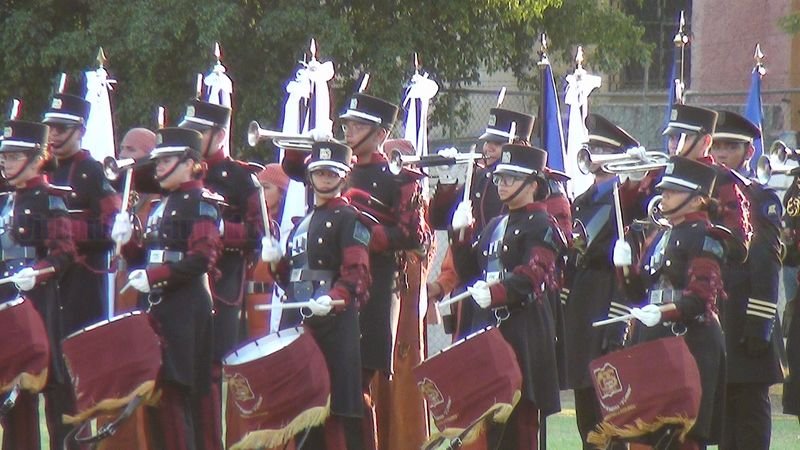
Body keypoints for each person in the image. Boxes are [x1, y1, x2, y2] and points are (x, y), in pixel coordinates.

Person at [452, 143, 564, 449]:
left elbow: (535, 273)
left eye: (510, 179)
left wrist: (497, 292)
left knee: (519, 425)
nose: (501, 184)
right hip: (490, 330)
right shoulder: (495, 224)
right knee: (491, 426)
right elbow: (470, 271)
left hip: (523, 332)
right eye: (500, 178)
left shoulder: (543, 224)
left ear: (533, 184)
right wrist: (460, 235)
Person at [114, 127, 220, 449]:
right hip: (157, 304)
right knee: (155, 397)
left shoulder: (202, 202)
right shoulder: (162, 205)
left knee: (175, 398)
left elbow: (202, 258)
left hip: (185, 305)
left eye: (166, 160)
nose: (158, 167)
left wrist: (155, 276)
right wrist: (127, 242)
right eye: (158, 161)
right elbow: (145, 257)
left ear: (190, 163)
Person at [263, 140, 371, 449]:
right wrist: (275, 263)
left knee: (333, 419)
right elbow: (291, 279)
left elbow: (358, 274)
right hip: (299, 323)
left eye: (331, 172)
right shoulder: (303, 223)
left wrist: (334, 297)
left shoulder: (350, 218)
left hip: (332, 326)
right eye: (319, 172)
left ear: (344, 175)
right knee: (302, 413)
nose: (324, 178)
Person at [623, 156, 727, 450]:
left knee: (680, 439)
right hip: (654, 343)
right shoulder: (661, 235)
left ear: (698, 199)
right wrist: (623, 267)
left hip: (689, 345)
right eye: (665, 190)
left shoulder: (707, 236)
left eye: (674, 191)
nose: (664, 195)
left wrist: (664, 313)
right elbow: (638, 293)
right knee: (642, 436)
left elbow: (701, 297)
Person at [179, 99, 267, 447]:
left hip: (221, 288)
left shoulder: (241, 178)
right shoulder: (179, 171)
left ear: (218, 134)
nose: (191, 139)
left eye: (198, 132)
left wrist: (219, 230)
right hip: (179, 284)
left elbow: (259, 234)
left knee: (209, 379)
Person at [709, 111, 785, 450]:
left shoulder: (760, 198)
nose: (722, 154)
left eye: (730, 147)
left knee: (750, 419)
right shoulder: (706, 197)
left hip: (747, 320)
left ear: (749, 152)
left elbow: (766, 264)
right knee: (724, 425)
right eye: (717, 146)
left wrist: (759, 324)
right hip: (717, 320)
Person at [0, 119, 77, 450]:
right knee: (12, 390)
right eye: (4, 156)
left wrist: (38, 271)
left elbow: (64, 252)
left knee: (50, 387)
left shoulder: (49, 199)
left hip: (37, 303)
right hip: (6, 303)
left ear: (37, 158)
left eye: (14, 156)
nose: (6, 163)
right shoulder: (5, 200)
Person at [564, 114, 639, 449]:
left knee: (612, 414)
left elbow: (630, 269)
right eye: (592, 149)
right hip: (582, 310)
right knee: (587, 417)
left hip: (609, 304)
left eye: (602, 152)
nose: (594, 158)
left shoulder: (627, 202)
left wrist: (619, 324)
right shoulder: (582, 202)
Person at [428, 108, 535, 340]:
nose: (487, 148)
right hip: (470, 281)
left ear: (518, 145)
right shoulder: (477, 178)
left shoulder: (534, 184)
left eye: (497, 144)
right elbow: (438, 220)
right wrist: (447, 182)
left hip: (510, 288)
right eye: (487, 142)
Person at [44, 93, 120, 335]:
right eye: (50, 128)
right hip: (46, 276)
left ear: (80, 131)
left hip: (82, 280)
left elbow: (112, 230)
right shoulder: (41, 170)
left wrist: (64, 230)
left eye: (61, 128)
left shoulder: (93, 171)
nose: (53, 134)